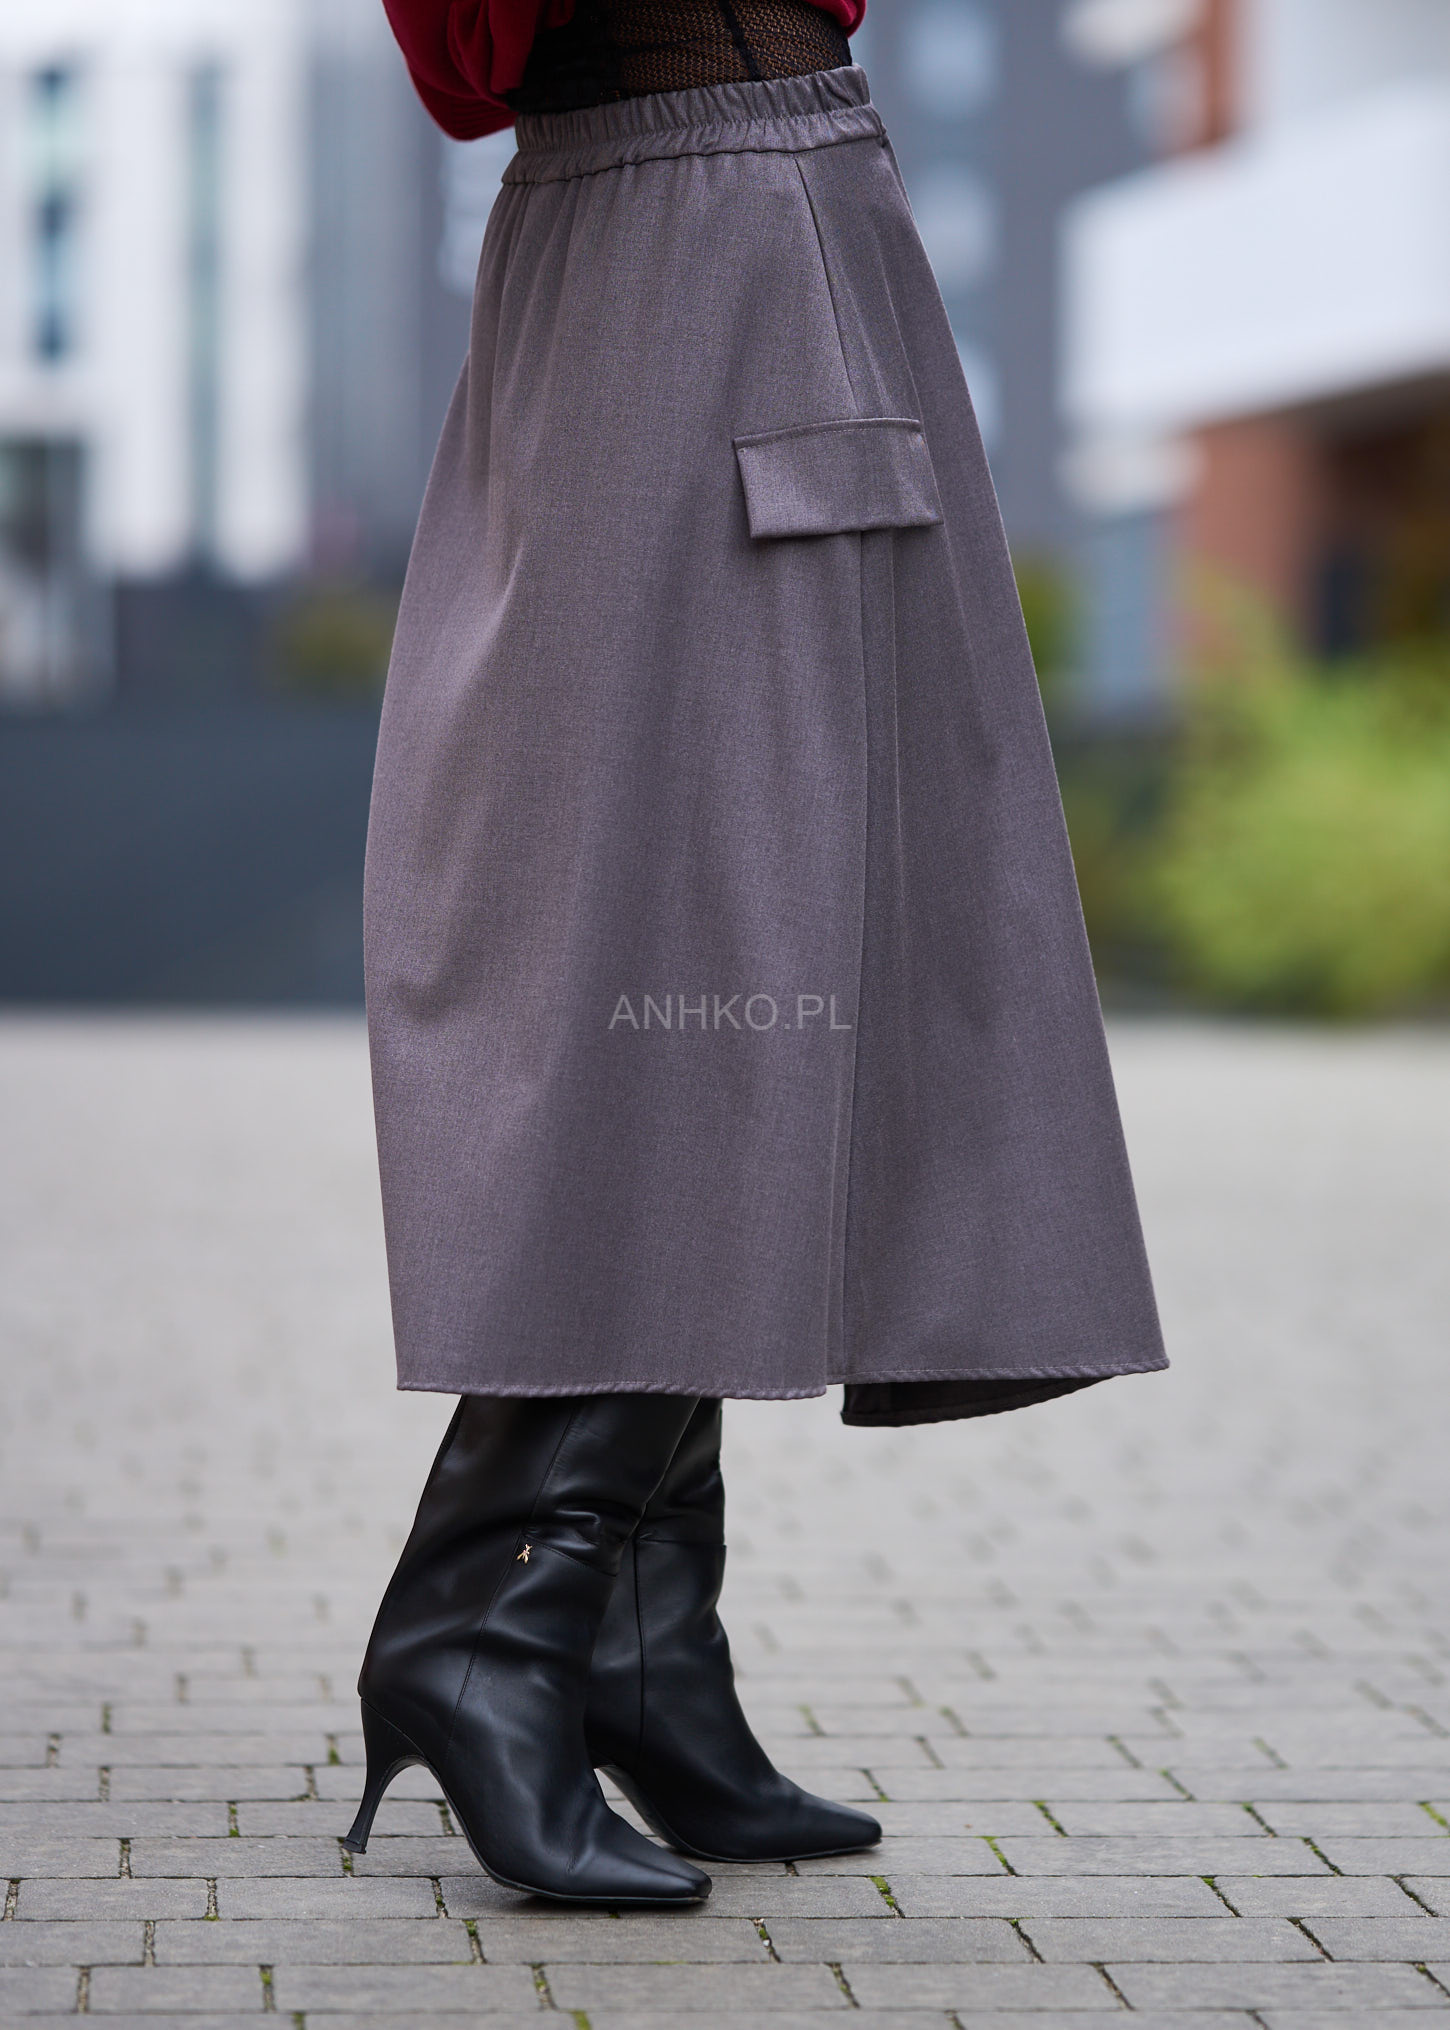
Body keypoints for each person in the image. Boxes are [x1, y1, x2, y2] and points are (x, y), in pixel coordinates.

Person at [344, 0, 1167, 1905]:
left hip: (792, 212)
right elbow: (464, 64)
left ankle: (636, 1642)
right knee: (698, 935)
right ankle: (486, 1622)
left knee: (769, 908)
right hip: (678, 237)